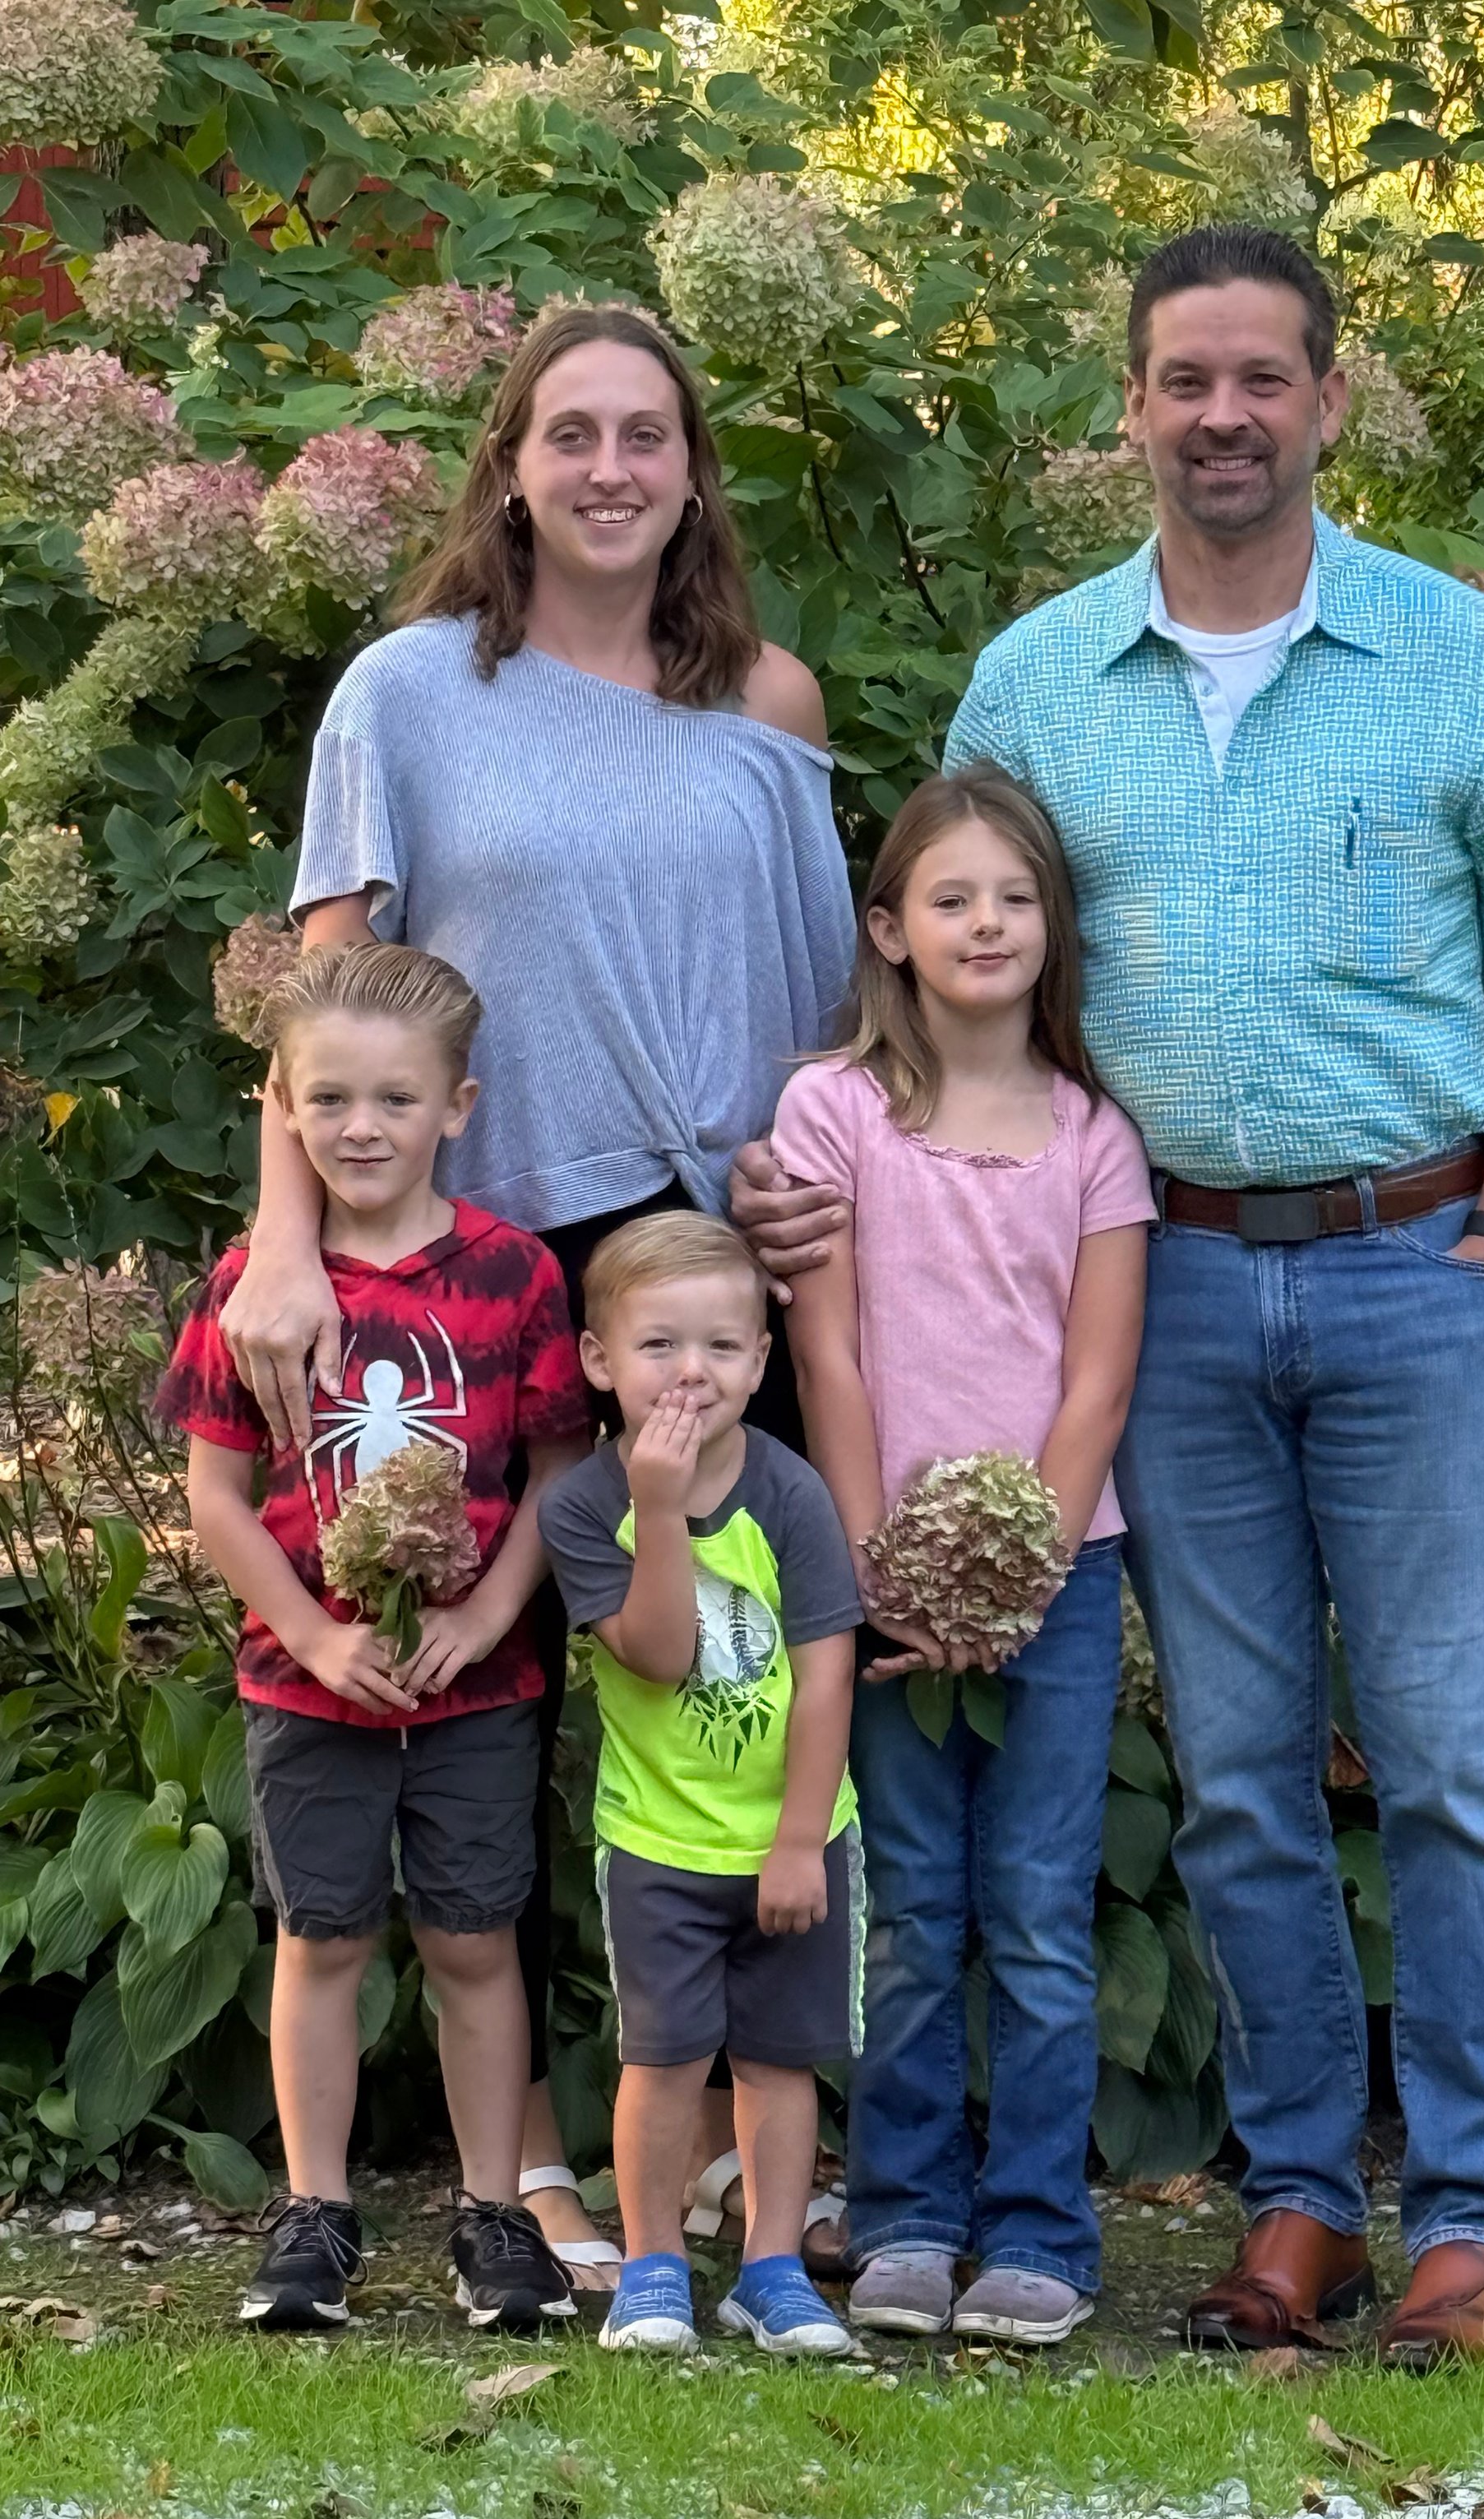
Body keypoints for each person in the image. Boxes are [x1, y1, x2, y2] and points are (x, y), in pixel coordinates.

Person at [735, 224, 1484, 2366]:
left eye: (1261, 376)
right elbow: (950, 966)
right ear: (1127, 407)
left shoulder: (1456, 654)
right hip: (1169, 1293)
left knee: (1447, 1766)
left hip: (1421, 1269)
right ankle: (1302, 2195)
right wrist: (823, 1176)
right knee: (1237, 1775)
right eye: (1182, 379)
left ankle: (1474, 2220)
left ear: (1327, 396)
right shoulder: (1038, 681)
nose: (1221, 413)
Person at [216, 303, 856, 2282]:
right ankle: (550, 2167)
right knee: (503, 1708)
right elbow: (331, 1021)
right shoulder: (412, 693)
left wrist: (814, 1183)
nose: (604, 468)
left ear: (690, 468)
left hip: (701, 1279)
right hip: (473, 1275)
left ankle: (744, 2147)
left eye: (643, 434)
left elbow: (829, 1003)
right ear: (509, 461)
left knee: (719, 1693)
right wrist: (291, 1242)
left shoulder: (767, 701)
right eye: (566, 432)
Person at [770, 766, 1151, 2348]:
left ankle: (1041, 2232)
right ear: (890, 929)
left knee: (1044, 1912)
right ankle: (911, 2210)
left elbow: (1097, 1381)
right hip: (877, 1578)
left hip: (1057, 1586)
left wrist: (1017, 1576)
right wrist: (882, 1568)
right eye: (950, 897)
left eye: (1013, 896)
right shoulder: (833, 1112)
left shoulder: (1095, 1135)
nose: (985, 921)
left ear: (1052, 928)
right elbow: (831, 1356)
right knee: (916, 1905)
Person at [159, 942, 592, 2332]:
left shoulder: (515, 1277)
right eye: (328, 1098)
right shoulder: (254, 1288)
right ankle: (315, 2213)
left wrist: (476, 1613)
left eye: (395, 1100)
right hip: (310, 1686)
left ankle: (492, 2209)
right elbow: (216, 1497)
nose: (361, 1127)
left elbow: (558, 1471)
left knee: (476, 1942)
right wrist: (311, 1633)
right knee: (322, 1939)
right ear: (283, 1107)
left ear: (456, 1106)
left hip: (478, 1686)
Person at [538, 1214, 861, 2356]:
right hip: (661, 1841)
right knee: (663, 2056)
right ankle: (654, 2263)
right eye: (660, 1345)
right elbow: (659, 1650)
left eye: (722, 1348)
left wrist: (794, 1841)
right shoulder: (583, 1505)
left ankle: (770, 2264)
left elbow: (826, 1681)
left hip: (791, 1833)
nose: (691, 1373)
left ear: (761, 1363)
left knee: (780, 2062)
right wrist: (661, 1504)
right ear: (597, 1360)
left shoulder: (793, 1493)